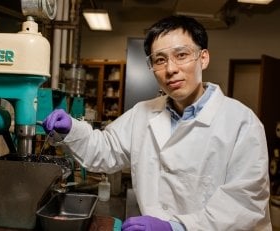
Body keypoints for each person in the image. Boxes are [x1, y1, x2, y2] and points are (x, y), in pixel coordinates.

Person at [42, 15, 271, 230]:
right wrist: (73, 129)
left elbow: (244, 203)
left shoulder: (241, 122)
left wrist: (176, 227)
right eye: (160, 60)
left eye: (181, 55)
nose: (171, 69)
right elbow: (105, 149)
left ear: (203, 58)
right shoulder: (143, 113)